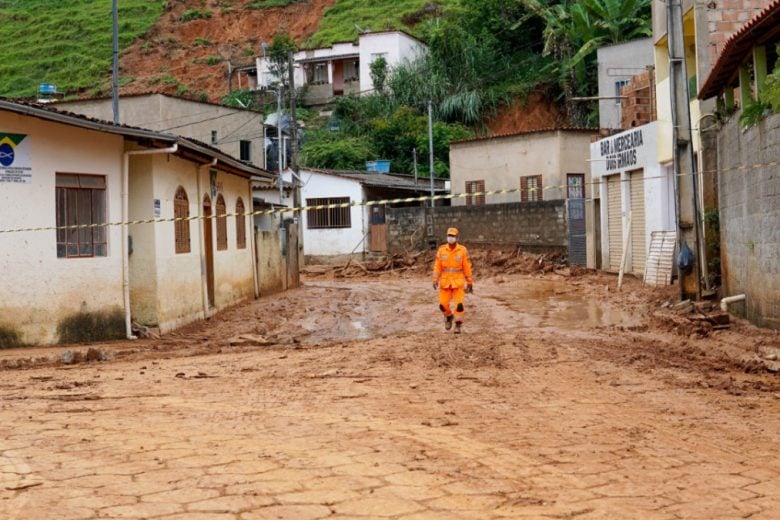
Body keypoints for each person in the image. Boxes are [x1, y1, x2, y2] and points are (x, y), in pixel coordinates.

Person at [432, 227, 473, 334]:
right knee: (442, 304)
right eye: (449, 236)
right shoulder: (441, 250)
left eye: (453, 236)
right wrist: (435, 279)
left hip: (458, 282)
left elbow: (467, 267)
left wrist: (469, 282)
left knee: (459, 305)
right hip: (445, 282)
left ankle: (458, 325)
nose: (450, 238)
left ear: (457, 237)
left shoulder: (462, 250)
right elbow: (437, 266)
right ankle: (449, 316)